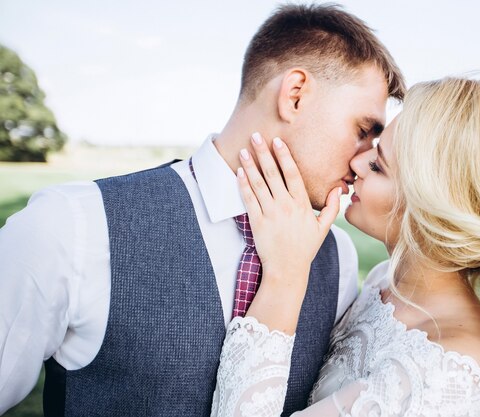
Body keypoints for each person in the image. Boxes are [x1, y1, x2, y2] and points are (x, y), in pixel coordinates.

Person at [0, 4, 405, 416]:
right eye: (362, 131)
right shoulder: (71, 226)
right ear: (295, 95)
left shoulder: (338, 258)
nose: (362, 162)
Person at [209, 78, 480, 416]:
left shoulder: (442, 372)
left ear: (430, 211)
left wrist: (285, 275)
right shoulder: (381, 284)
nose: (355, 163)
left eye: (377, 165)